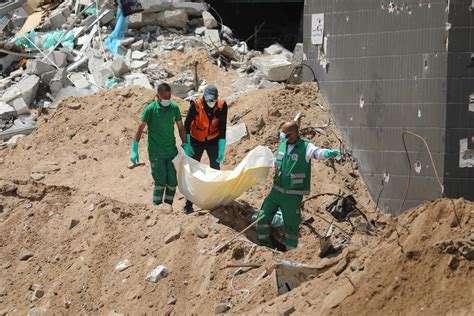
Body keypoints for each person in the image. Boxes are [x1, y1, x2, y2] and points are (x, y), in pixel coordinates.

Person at [256, 120, 341, 251]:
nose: (282, 136)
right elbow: (277, 161)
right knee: (262, 216)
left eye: (285, 133)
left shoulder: (305, 147)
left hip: (292, 195)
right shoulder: (283, 146)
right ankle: (264, 247)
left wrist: (330, 153)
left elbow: (317, 153)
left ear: (294, 134)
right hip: (276, 192)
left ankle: (291, 253)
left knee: (291, 226)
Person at [130, 83, 193, 207]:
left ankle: (168, 206)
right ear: (158, 95)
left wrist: (186, 144)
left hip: (171, 151)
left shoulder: (174, 108)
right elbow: (140, 128)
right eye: (165, 97)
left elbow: (180, 128)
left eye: (169, 96)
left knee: (172, 181)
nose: (167, 99)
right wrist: (134, 149)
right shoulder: (151, 109)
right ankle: (157, 207)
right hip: (156, 152)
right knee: (160, 181)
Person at [182, 84, 228, 214]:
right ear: (203, 97)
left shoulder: (222, 105)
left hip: (213, 139)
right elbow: (187, 124)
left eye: (213, 100)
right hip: (197, 140)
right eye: (208, 100)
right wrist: (187, 143)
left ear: (217, 98)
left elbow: (223, 126)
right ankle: (188, 204)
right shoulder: (196, 105)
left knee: (215, 167)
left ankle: (215, 199)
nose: (211, 102)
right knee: (193, 169)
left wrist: (221, 145)